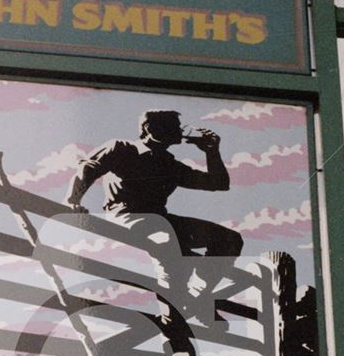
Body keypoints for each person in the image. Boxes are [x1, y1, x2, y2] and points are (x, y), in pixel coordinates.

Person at [65, 109, 241, 258]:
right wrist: (73, 200)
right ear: (150, 128)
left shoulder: (170, 165)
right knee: (168, 241)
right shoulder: (122, 148)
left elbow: (218, 183)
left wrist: (212, 152)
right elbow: (87, 169)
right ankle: (184, 283)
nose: (179, 130)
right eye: (173, 125)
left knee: (229, 239)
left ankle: (199, 288)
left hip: (160, 221)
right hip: (127, 218)